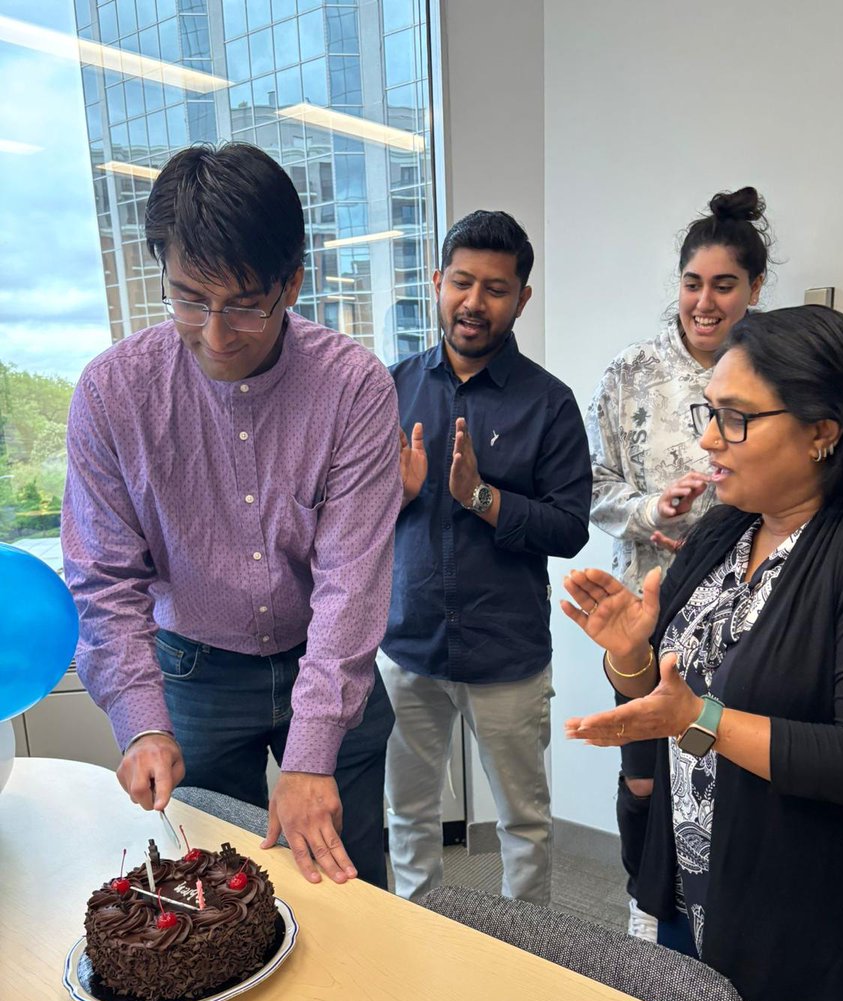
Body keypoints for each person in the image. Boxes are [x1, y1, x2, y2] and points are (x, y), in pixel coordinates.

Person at [562, 305, 843, 1001]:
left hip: (802, 927)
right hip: (688, 888)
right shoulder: (722, 532)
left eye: (737, 419)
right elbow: (664, 700)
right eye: (708, 413)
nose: (709, 439)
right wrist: (631, 660)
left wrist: (698, 721)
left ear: (825, 430)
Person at [62, 144, 401, 888]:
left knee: (353, 880)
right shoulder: (113, 393)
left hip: (327, 660)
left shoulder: (354, 390)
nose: (215, 334)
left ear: (291, 284)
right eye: (188, 299)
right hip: (195, 672)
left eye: (245, 304)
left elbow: (352, 583)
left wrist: (312, 757)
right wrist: (141, 721)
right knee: (215, 889)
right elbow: (102, 577)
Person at [381, 210, 592, 904]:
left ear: (521, 299)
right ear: (438, 282)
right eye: (462, 282)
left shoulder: (549, 404)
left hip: (507, 654)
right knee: (407, 816)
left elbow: (569, 527)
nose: (474, 302)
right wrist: (396, 495)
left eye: (496, 288)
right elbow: (342, 517)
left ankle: (525, 962)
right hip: (407, 645)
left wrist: (483, 499)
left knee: (523, 825)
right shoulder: (390, 388)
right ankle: (416, 938)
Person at [587, 187, 772, 939]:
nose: (705, 301)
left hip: (753, 614)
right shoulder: (631, 372)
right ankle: (648, 905)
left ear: (754, 290)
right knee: (645, 774)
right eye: (692, 283)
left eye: (724, 285)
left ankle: (732, 925)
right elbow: (595, 487)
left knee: (730, 766)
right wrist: (652, 511)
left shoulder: (773, 369)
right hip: (647, 618)